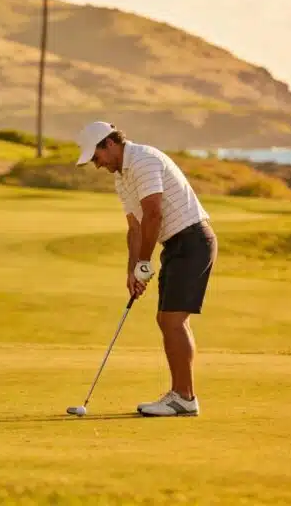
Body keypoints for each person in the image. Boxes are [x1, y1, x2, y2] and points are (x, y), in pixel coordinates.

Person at [75, 121, 218, 417]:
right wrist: (133, 270)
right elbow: (135, 227)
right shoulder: (121, 177)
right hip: (176, 245)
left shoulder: (143, 160)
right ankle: (182, 395)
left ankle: (184, 397)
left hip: (192, 240)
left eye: (96, 156)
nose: (97, 164)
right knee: (167, 319)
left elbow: (154, 212)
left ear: (110, 144)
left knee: (173, 320)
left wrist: (144, 262)